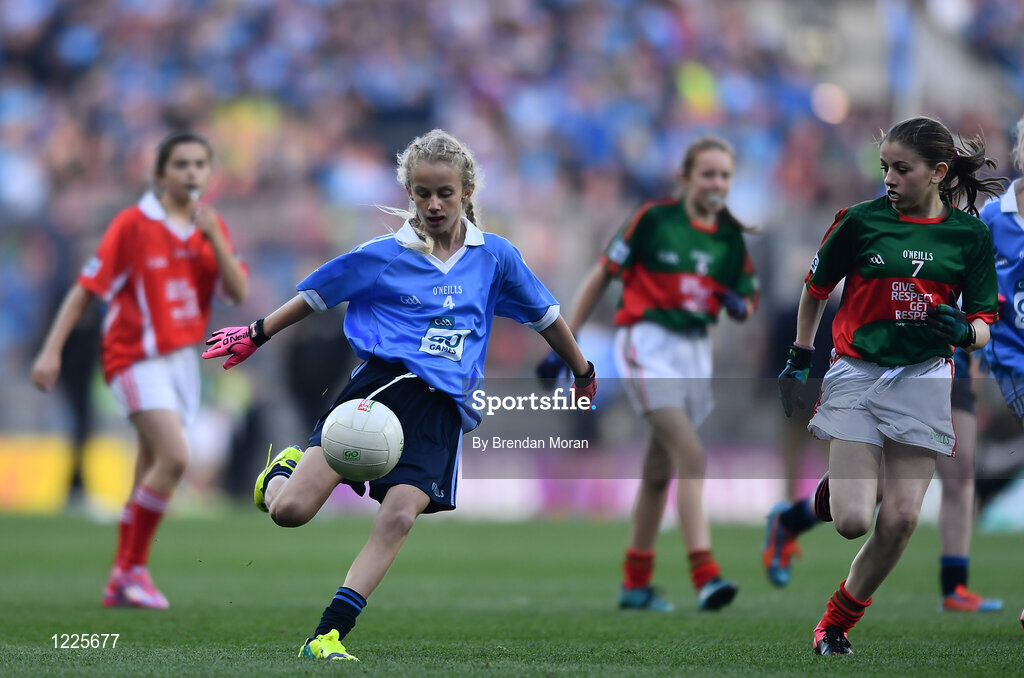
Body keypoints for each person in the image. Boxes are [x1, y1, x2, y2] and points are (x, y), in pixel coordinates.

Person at [202, 129, 596, 662]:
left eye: (445, 193)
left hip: (441, 408)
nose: (434, 205)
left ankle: (328, 634)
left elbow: (547, 317)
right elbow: (314, 295)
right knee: (290, 512)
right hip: (379, 391)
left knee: (399, 517)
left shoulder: (495, 258)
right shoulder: (383, 255)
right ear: (409, 193)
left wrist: (582, 369)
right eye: (422, 193)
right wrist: (255, 332)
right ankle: (278, 476)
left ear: (468, 191)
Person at [776, 116, 1005, 655]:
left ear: (938, 173)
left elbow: (984, 322)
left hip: (924, 379)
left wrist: (964, 331)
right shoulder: (857, 222)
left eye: (902, 169)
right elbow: (815, 288)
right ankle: (836, 491)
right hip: (857, 372)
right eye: (884, 168)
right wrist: (801, 354)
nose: (889, 179)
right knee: (853, 521)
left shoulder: (968, 236)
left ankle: (834, 624)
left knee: (900, 519)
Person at [538, 135, 758, 613]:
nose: (717, 183)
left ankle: (635, 583)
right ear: (685, 178)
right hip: (646, 347)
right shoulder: (653, 220)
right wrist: (566, 345)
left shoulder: (729, 237)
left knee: (659, 473)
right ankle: (706, 573)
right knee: (692, 456)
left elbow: (745, 299)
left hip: (695, 356)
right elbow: (601, 276)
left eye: (724, 175)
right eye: (707, 174)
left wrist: (738, 305)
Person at [31, 131, 249, 609]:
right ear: (159, 175)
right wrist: (51, 351)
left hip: (181, 362)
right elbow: (85, 289)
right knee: (175, 457)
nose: (191, 173)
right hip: (133, 355)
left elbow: (235, 292)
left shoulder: (209, 227)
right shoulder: (132, 223)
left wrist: (214, 236)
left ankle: (122, 578)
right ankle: (133, 569)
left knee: (149, 466)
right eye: (181, 164)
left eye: (199, 165)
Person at [763, 347, 1003, 613]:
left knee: (962, 469)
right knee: (876, 488)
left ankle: (954, 587)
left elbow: (983, 316)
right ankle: (789, 521)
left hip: (949, 364)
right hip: (897, 358)